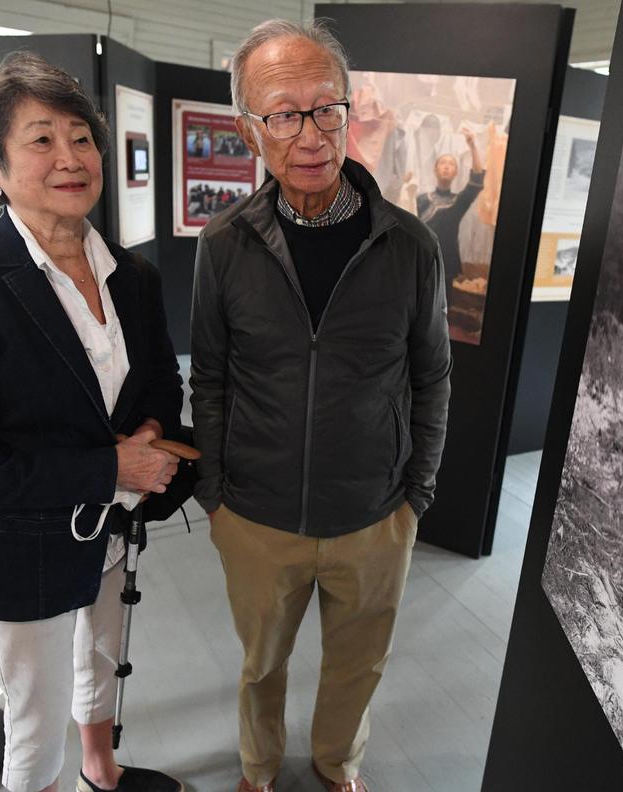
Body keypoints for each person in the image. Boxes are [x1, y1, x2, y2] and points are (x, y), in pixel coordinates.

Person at [0, 52, 186, 792]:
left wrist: (151, 437)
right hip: (24, 538)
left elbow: (161, 379)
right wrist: (113, 468)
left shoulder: (136, 275)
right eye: (40, 140)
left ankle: (103, 767)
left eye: (82, 137)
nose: (71, 158)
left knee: (101, 659)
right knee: (35, 720)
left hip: (115, 528)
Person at [190, 19, 452, 792]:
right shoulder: (225, 244)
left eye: (324, 107)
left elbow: (432, 376)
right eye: (282, 114)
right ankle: (258, 770)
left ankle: (338, 767)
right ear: (249, 130)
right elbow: (210, 377)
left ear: (348, 109)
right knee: (260, 664)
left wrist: (417, 493)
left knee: (358, 665)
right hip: (257, 517)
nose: (309, 134)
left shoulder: (409, 246)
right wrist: (216, 497)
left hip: (374, 516)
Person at [416, 127, 485, 301]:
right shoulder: (421, 199)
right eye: (443, 163)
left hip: (446, 262)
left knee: (442, 308)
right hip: (420, 261)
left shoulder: (458, 202)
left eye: (451, 164)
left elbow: (476, 180)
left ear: (455, 172)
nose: (447, 166)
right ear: (435, 169)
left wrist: (473, 146)